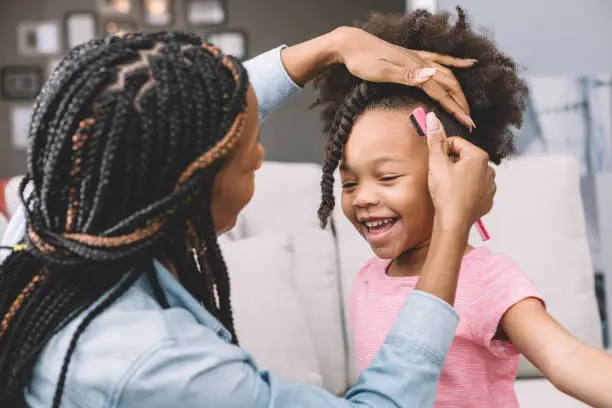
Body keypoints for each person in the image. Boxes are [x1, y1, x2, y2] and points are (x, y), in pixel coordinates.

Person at [0, 27, 493, 408]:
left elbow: (175, 116)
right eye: (250, 155)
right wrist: (452, 223)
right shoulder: (158, 364)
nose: (260, 154)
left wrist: (333, 46)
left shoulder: (53, 212)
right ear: (192, 187)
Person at [314, 8, 612, 408]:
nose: (362, 197)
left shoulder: (487, 279)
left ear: (448, 173)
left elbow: (565, 358)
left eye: (387, 178)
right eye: (349, 183)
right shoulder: (369, 278)